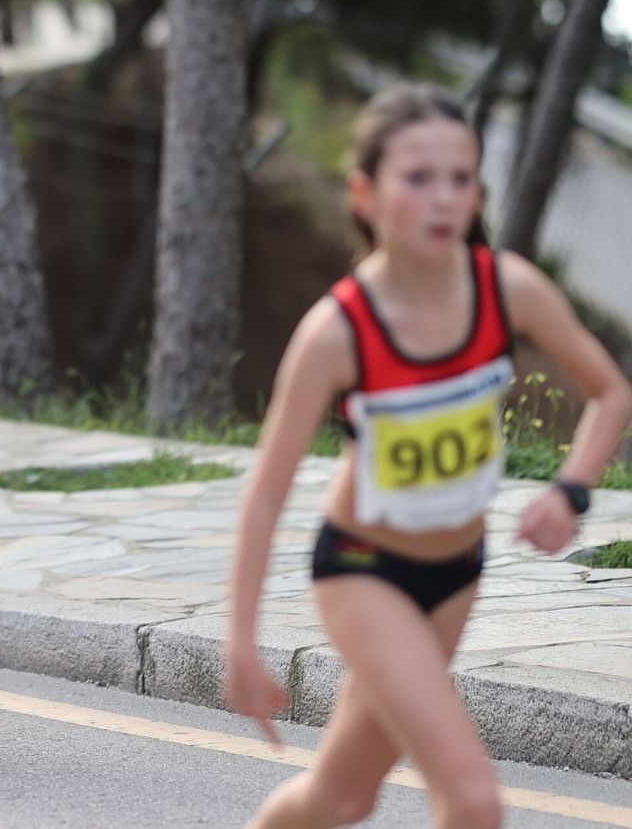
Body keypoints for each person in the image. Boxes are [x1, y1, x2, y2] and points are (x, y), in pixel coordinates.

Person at [225, 84, 632, 828]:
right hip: (364, 571)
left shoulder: (507, 289)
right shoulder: (336, 332)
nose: (444, 198)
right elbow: (265, 495)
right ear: (365, 194)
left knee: (343, 797)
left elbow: (610, 392)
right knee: (473, 801)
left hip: (455, 575)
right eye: (418, 178)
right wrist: (242, 643)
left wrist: (570, 490)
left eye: (461, 177)